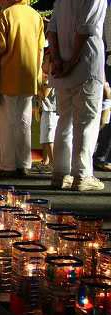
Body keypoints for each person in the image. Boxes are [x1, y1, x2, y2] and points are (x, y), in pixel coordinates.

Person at [48, 0, 107, 191]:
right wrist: (71, 63)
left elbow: (52, 30)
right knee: (86, 121)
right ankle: (81, 175)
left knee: (64, 120)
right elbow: (85, 30)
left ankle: (60, 173)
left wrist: (57, 60)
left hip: (64, 65)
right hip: (86, 65)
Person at [0, 0, 44, 176]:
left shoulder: (5, 14)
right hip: (29, 77)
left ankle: (7, 165)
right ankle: (24, 164)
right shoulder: (36, 16)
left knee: (6, 123)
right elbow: (40, 49)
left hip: (8, 75)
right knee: (24, 122)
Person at [39, 48, 57, 168]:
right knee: (45, 136)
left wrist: (37, 86)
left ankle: (54, 162)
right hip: (46, 110)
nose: (42, 64)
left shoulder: (51, 77)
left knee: (49, 137)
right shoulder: (48, 77)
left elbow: (44, 93)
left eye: (45, 61)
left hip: (51, 111)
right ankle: (45, 160)